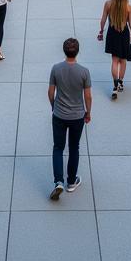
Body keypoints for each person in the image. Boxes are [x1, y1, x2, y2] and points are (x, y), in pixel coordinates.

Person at [48, 38, 92, 200]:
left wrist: (54, 106)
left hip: (59, 114)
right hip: (77, 116)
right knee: (74, 147)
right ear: (77, 51)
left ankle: (58, 181)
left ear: (64, 50)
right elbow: (88, 96)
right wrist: (88, 112)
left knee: (58, 147)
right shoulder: (84, 72)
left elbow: (50, 92)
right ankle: (71, 182)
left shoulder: (56, 69)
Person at [97, 0, 131, 99]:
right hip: (124, 34)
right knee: (123, 61)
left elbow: (103, 19)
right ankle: (120, 82)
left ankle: (114, 83)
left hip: (112, 33)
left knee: (114, 60)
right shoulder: (128, 7)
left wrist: (101, 31)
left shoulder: (108, 4)